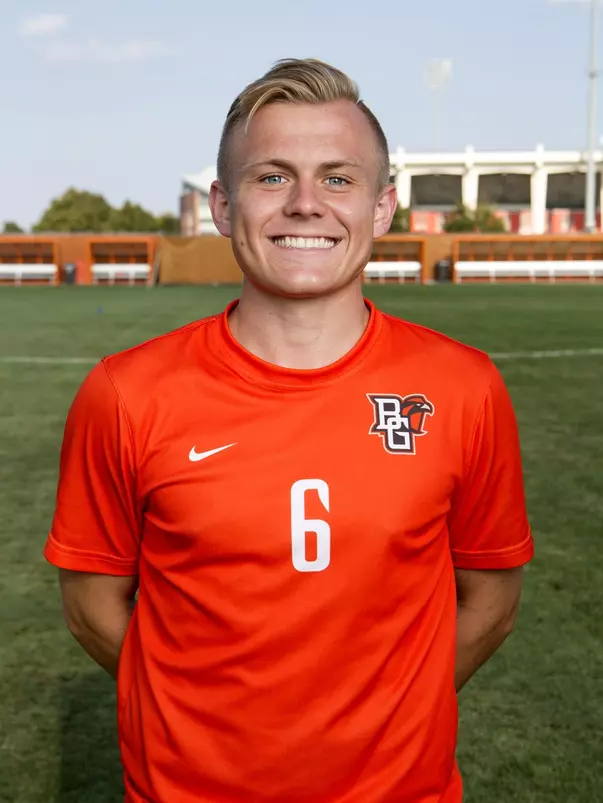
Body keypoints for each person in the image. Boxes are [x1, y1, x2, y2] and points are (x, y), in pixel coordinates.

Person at [44, 58, 534, 803]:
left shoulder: (464, 387)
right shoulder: (125, 393)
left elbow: (490, 603)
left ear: (381, 207)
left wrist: (389, 713)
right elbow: (92, 608)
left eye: (337, 178)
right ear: (222, 204)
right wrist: (196, 709)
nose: (306, 204)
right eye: (272, 177)